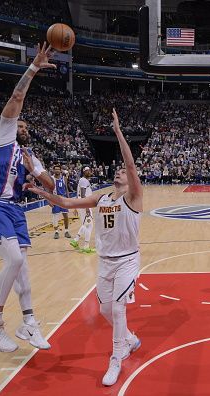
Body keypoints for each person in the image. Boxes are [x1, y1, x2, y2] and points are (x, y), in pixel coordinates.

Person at [26, 109, 142, 386]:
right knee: (104, 311)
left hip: (127, 260)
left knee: (117, 310)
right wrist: (44, 194)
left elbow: (130, 164)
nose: (119, 173)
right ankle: (130, 339)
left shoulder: (134, 198)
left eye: (122, 172)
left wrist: (117, 132)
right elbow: (66, 204)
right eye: (117, 171)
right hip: (105, 261)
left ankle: (116, 359)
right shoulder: (101, 199)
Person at [0, 43, 56, 353]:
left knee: (24, 272)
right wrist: (34, 67)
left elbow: (51, 186)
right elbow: (17, 97)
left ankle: (29, 322)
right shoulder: (3, 135)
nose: (21, 126)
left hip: (15, 209)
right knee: (15, 259)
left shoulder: (29, 154)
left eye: (24, 125)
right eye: (19, 123)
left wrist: (35, 171)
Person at [70, 166, 95, 253]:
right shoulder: (84, 180)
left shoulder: (82, 180)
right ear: (83, 172)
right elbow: (83, 195)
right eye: (87, 171)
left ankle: (76, 240)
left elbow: (78, 195)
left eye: (89, 170)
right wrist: (87, 207)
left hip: (82, 204)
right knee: (89, 225)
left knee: (86, 224)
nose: (89, 172)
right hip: (85, 204)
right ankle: (85, 245)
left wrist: (76, 207)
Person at [51, 165, 70, 239]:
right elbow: (48, 189)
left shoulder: (64, 178)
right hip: (55, 199)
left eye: (58, 169)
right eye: (55, 169)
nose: (57, 170)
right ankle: (56, 232)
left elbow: (66, 189)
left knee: (66, 215)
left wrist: (68, 198)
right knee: (55, 216)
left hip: (63, 199)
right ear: (53, 170)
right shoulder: (51, 178)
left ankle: (66, 231)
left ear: (60, 170)